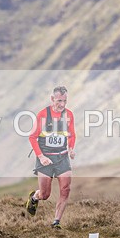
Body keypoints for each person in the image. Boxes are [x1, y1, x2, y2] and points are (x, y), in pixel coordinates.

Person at [25, 85, 76, 229]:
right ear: (52, 99)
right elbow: (32, 137)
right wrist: (41, 157)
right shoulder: (42, 114)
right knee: (45, 194)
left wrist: (71, 149)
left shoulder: (69, 115)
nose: (62, 104)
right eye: (59, 101)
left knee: (65, 189)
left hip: (62, 157)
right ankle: (34, 197)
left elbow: (72, 134)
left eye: (65, 101)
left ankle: (56, 222)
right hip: (46, 158)